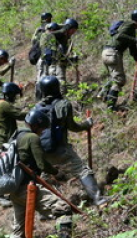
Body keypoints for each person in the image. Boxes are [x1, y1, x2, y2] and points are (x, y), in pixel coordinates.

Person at [2, 108, 72, 238]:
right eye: (42, 128)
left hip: (15, 191)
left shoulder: (17, 136)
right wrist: (57, 173)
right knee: (63, 208)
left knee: (18, 230)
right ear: (37, 126)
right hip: (28, 188)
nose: (42, 132)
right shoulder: (32, 138)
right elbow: (42, 164)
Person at [35, 76, 107, 206]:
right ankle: (99, 199)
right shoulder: (63, 105)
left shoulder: (37, 108)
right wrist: (87, 124)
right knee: (82, 170)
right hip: (59, 148)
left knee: (44, 177)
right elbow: (73, 127)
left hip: (40, 150)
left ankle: (45, 208)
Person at [101, 8, 137, 111]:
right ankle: (111, 108)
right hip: (113, 53)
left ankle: (103, 94)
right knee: (119, 81)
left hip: (107, 53)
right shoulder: (130, 25)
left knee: (114, 78)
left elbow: (133, 52)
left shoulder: (131, 30)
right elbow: (119, 36)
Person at [38, 18, 79, 96]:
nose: (73, 32)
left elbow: (65, 54)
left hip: (60, 63)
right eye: (73, 30)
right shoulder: (59, 34)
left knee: (59, 84)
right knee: (60, 83)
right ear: (69, 28)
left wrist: (72, 59)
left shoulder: (66, 37)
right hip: (54, 64)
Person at [0, 82, 26, 157]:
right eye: (14, 95)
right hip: (2, 145)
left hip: (1, 143)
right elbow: (19, 115)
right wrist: (33, 113)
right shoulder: (4, 104)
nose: (15, 98)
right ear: (10, 95)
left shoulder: (2, 103)